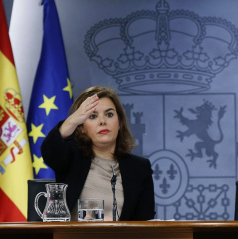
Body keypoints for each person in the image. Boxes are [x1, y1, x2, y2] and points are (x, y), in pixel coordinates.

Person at [41, 86, 155, 221]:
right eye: (93, 116)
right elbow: (50, 150)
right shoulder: (71, 157)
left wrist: (115, 228)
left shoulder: (140, 168)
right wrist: (72, 120)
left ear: (119, 123)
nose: (103, 121)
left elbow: (146, 223)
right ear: (81, 127)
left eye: (109, 114)